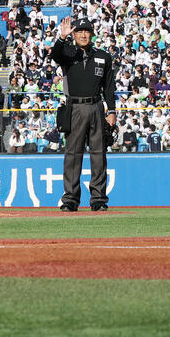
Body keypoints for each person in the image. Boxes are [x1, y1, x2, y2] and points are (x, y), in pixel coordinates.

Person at [48, 17, 117, 211]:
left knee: (98, 154)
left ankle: (98, 199)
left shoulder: (103, 56)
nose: (83, 35)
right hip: (74, 107)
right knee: (73, 153)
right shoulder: (68, 53)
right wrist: (62, 36)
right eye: (79, 32)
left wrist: (111, 111)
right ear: (74, 34)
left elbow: (109, 87)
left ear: (92, 34)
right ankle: (70, 199)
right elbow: (55, 55)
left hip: (96, 106)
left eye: (86, 31)